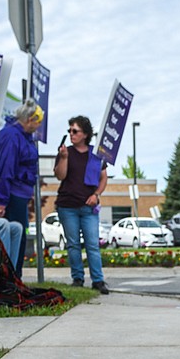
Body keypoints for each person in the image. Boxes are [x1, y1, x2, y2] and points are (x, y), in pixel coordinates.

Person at [53, 115, 109, 294]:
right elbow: (60, 176)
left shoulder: (96, 154)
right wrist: (63, 158)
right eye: (69, 130)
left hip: (89, 207)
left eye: (75, 131)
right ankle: (77, 278)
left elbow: (103, 178)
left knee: (92, 244)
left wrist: (96, 194)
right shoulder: (65, 152)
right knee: (73, 244)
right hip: (67, 206)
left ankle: (98, 280)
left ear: (85, 134)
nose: (71, 134)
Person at [0, 100, 43, 278]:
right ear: (28, 120)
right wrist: (2, 201)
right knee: (13, 237)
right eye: (38, 121)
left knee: (19, 235)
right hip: (11, 195)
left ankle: (14, 276)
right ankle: (10, 277)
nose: (39, 125)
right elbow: (5, 168)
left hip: (20, 194)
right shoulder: (11, 136)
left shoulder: (25, 137)